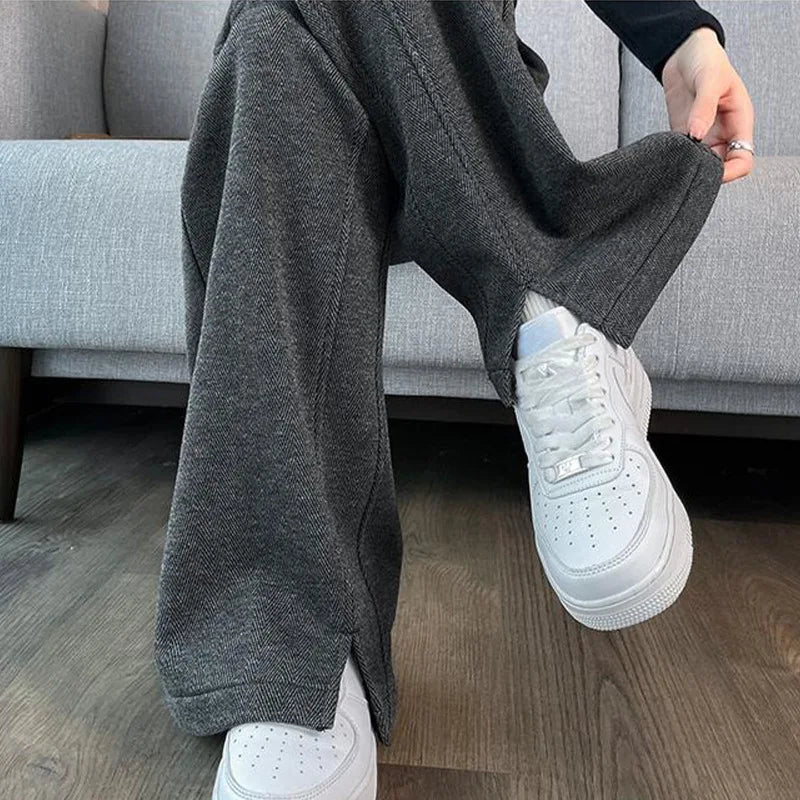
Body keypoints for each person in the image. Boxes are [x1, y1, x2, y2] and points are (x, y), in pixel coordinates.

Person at [153, 1, 755, 798]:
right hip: (360, 93)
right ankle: (549, 305)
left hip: (437, 58)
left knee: (271, 38)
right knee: (270, 50)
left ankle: (284, 645)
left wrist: (675, 32)